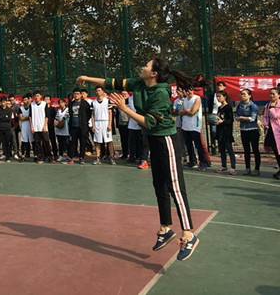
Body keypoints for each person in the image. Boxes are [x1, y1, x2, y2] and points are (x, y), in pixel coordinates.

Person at [78, 57, 208, 261]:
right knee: (159, 185)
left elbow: (150, 122)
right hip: (153, 140)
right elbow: (111, 82)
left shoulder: (160, 93)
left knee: (175, 187)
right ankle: (165, 228)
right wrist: (87, 78)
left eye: (147, 65)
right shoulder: (139, 83)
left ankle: (189, 234)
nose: (142, 67)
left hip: (166, 140)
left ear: (154, 73)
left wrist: (125, 109)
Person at [179, 87, 208, 171]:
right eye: (187, 90)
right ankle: (192, 161)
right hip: (185, 125)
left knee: (198, 145)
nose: (189, 91)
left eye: (191, 89)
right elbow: (180, 112)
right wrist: (186, 111)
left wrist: (186, 111)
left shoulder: (197, 98)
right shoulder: (184, 100)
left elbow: (193, 112)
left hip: (194, 125)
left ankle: (203, 162)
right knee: (188, 145)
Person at [236, 88, 261, 176]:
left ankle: (257, 169)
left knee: (255, 149)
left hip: (253, 130)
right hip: (243, 130)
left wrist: (242, 118)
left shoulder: (253, 106)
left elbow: (252, 118)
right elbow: (236, 116)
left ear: (249, 95)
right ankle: (247, 168)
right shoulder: (239, 105)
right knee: (246, 150)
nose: (242, 96)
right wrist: (239, 118)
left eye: (244, 94)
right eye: (241, 94)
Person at [213, 90, 236, 175]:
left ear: (225, 97)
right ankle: (223, 166)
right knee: (221, 150)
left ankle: (233, 167)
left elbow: (230, 120)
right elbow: (219, 118)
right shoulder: (219, 108)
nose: (218, 98)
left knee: (229, 150)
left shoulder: (228, 107)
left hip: (227, 132)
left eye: (220, 96)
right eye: (217, 97)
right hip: (220, 131)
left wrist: (222, 121)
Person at [91, 85, 114, 165]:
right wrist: (93, 125)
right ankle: (98, 157)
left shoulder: (107, 101)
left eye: (99, 90)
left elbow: (110, 113)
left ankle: (112, 157)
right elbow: (92, 115)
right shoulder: (93, 102)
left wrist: (110, 124)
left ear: (103, 91)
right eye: (96, 91)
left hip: (106, 122)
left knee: (109, 141)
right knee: (97, 141)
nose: (98, 92)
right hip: (97, 123)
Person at [29, 90, 53, 163]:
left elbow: (46, 116)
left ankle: (49, 156)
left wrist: (44, 126)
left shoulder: (44, 104)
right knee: (37, 143)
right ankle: (39, 156)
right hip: (35, 128)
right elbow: (30, 116)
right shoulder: (31, 105)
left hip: (43, 127)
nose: (36, 97)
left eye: (38, 96)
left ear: (41, 96)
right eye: (35, 96)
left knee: (46, 142)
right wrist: (31, 126)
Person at [263, 87, 280, 179]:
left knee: (279, 151)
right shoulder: (268, 105)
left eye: (274, 94)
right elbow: (265, 116)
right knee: (276, 151)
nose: (271, 95)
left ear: (279, 95)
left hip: (278, 130)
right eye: (270, 94)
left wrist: (273, 107)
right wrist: (265, 124)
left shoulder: (277, 105)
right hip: (271, 131)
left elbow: (276, 115)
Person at [127, 94, 147, 168]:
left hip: (140, 122)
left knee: (141, 142)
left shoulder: (142, 97)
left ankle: (141, 158)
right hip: (132, 123)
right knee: (132, 141)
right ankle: (132, 156)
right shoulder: (129, 98)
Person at [0, 96, 13, 163]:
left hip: (7, 128)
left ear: (6, 102)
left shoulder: (9, 110)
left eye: (4, 102)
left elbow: (8, 119)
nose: (3, 103)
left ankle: (7, 157)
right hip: (0, 128)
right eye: (2, 102)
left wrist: (3, 117)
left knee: (7, 143)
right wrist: (4, 116)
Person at [19, 93, 33, 159]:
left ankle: (35, 154)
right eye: (23, 100)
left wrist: (26, 117)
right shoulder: (21, 108)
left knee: (32, 140)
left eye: (26, 100)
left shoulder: (32, 107)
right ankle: (23, 154)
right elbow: (21, 118)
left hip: (31, 125)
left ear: (28, 100)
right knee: (24, 141)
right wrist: (29, 117)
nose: (25, 101)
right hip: (24, 126)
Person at [117, 91, 130, 160]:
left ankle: (131, 154)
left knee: (130, 140)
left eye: (125, 94)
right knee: (123, 140)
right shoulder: (119, 103)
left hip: (130, 124)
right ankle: (125, 154)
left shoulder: (131, 102)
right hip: (121, 124)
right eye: (122, 94)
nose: (124, 95)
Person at [44, 95, 58, 159]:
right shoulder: (42, 108)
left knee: (53, 140)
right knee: (45, 141)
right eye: (45, 99)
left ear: (50, 101)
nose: (46, 100)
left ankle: (55, 154)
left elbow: (55, 117)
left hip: (50, 126)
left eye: (48, 99)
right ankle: (47, 154)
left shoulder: (52, 109)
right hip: (44, 126)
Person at [9, 94, 21, 159]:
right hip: (8, 126)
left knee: (15, 139)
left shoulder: (17, 106)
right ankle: (9, 152)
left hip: (15, 126)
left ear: (14, 99)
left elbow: (18, 116)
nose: (11, 101)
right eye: (10, 100)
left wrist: (16, 115)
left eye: (12, 100)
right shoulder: (7, 107)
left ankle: (16, 152)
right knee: (9, 140)